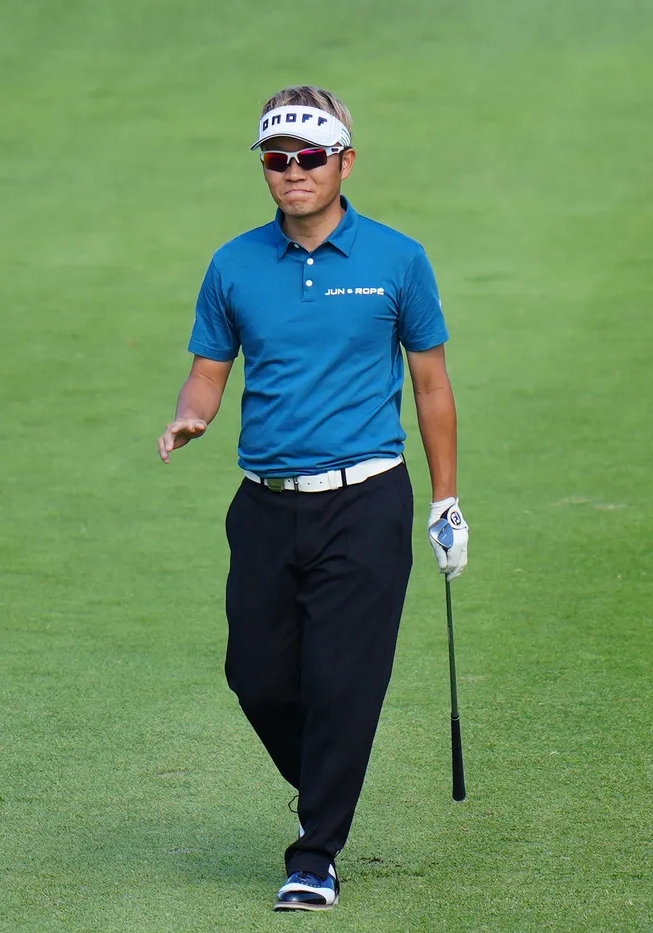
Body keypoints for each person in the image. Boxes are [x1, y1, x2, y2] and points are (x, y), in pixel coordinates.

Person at [156, 85, 468, 912]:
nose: (292, 172)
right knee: (256, 676)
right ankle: (330, 774)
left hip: (366, 501)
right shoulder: (234, 264)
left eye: (309, 157)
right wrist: (192, 414)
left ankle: (315, 854)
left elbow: (431, 386)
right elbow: (208, 370)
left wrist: (445, 501)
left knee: (341, 682)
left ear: (344, 162)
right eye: (276, 158)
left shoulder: (398, 260)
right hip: (264, 505)